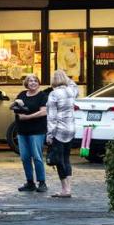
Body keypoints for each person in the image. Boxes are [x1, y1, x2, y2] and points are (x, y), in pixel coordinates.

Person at [11, 74, 49, 192]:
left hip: (37, 131)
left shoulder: (42, 96)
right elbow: (13, 108)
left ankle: (42, 182)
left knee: (37, 157)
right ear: (26, 83)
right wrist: (16, 106)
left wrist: (28, 117)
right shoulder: (22, 95)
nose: (33, 83)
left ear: (38, 83)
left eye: (35, 81)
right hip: (22, 131)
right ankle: (30, 182)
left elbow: (44, 112)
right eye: (30, 81)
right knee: (25, 157)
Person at [45, 69, 78, 198]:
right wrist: (65, 77)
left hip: (59, 130)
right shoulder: (71, 91)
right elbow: (74, 84)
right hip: (71, 128)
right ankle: (68, 188)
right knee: (66, 158)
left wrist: (49, 134)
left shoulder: (54, 94)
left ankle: (65, 189)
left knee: (59, 160)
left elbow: (52, 117)